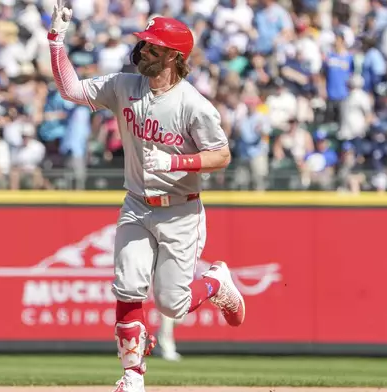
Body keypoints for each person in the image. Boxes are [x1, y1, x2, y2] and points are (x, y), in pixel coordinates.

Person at [47, 6, 246, 392]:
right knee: (127, 285)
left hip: (181, 211)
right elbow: (70, 90)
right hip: (137, 204)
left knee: (172, 304)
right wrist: (56, 40)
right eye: (143, 44)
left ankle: (216, 283)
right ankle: (132, 374)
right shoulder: (124, 85)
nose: (142, 51)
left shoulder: (194, 104)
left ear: (173, 56)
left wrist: (177, 161)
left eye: (152, 48)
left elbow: (222, 155)